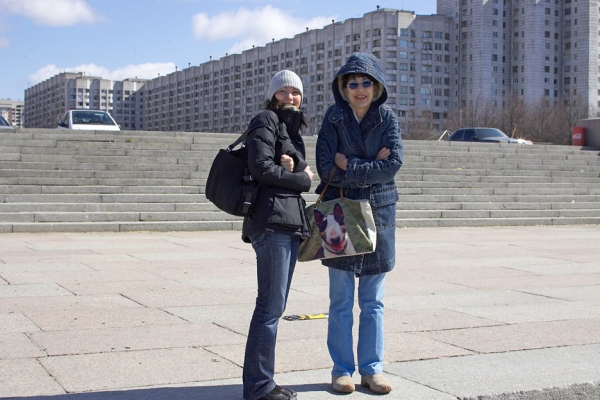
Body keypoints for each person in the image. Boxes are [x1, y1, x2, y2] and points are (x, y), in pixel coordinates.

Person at [314, 53, 403, 394]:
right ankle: (341, 369)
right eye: (353, 83)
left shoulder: (387, 117)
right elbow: (326, 167)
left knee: (373, 300)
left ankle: (372, 369)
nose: (360, 89)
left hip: (380, 213)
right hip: (342, 214)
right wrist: (367, 165)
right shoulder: (334, 118)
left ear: (377, 85)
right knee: (340, 300)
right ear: (344, 88)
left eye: (366, 82)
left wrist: (350, 165)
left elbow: (393, 164)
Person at [241, 70, 314, 400]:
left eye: (295, 92)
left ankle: (264, 382)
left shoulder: (289, 128)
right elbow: (261, 168)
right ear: (272, 95)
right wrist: (299, 177)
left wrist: (294, 168)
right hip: (270, 222)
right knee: (268, 308)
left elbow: (296, 168)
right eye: (283, 92)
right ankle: (258, 388)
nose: (290, 97)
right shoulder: (266, 120)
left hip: (286, 222)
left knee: (274, 307)